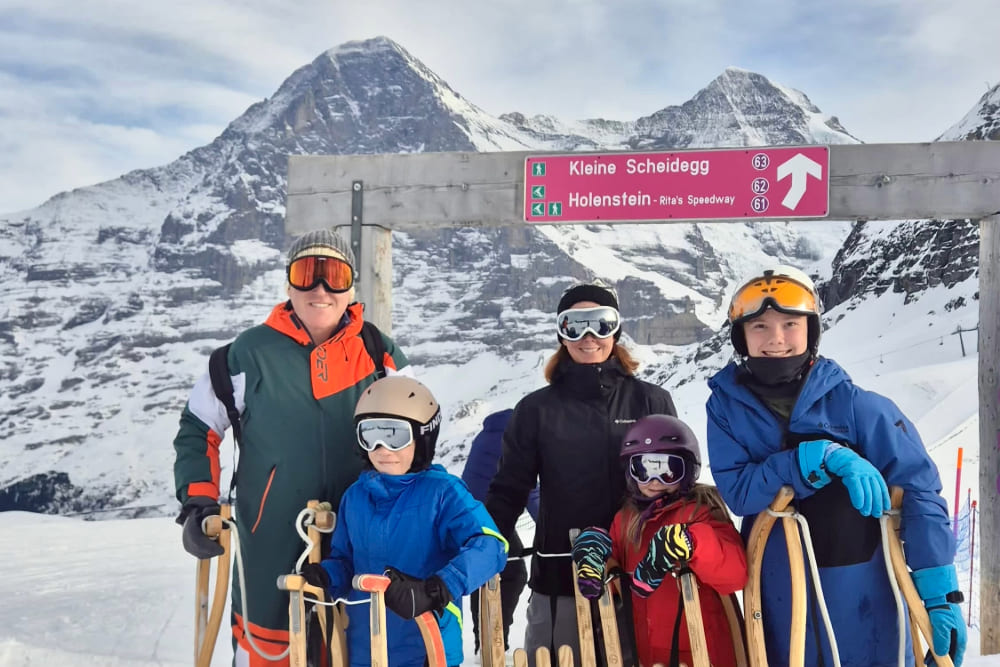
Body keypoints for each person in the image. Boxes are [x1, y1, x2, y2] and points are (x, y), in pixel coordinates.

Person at [706, 265, 966, 667]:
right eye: (759, 326)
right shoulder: (725, 410)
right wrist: (812, 458)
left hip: (863, 588)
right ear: (741, 337)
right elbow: (740, 492)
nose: (775, 339)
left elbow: (918, 490)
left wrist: (938, 589)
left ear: (811, 330)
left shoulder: (857, 406)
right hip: (779, 591)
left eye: (790, 324)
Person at [172, 228, 410, 667]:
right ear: (288, 284)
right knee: (272, 647)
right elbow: (199, 427)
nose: (320, 290)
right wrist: (199, 504)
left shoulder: (379, 355)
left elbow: (416, 436)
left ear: (351, 287)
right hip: (271, 537)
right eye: (307, 274)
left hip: (363, 533)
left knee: (360, 643)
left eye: (334, 276)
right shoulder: (246, 355)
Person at [485, 281, 677, 663]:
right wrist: (487, 542)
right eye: (575, 325)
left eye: (601, 324)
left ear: (617, 330)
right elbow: (509, 489)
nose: (589, 337)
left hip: (638, 573)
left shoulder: (650, 400)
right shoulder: (536, 410)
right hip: (561, 576)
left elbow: (676, 481)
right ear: (561, 332)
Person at [299, 376, 508, 667]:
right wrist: (328, 576)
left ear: (423, 438)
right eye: (370, 435)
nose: (383, 448)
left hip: (427, 646)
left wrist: (437, 588)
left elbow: (491, 546)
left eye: (395, 435)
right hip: (366, 649)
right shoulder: (355, 497)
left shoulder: (443, 492)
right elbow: (347, 562)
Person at [572, 414, 747, 667]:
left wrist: (690, 542)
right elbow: (614, 580)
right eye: (642, 469)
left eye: (667, 470)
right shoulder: (626, 521)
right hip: (651, 657)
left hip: (706, 655)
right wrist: (595, 559)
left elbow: (735, 574)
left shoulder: (700, 512)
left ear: (688, 469)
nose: (654, 481)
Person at [461, 408, 539, 654]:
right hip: (485, 513)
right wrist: (553, 531)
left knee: (495, 572)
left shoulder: (495, 432)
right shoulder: (509, 439)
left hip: (478, 510)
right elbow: (531, 492)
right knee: (510, 572)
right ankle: (491, 641)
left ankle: (487, 639)